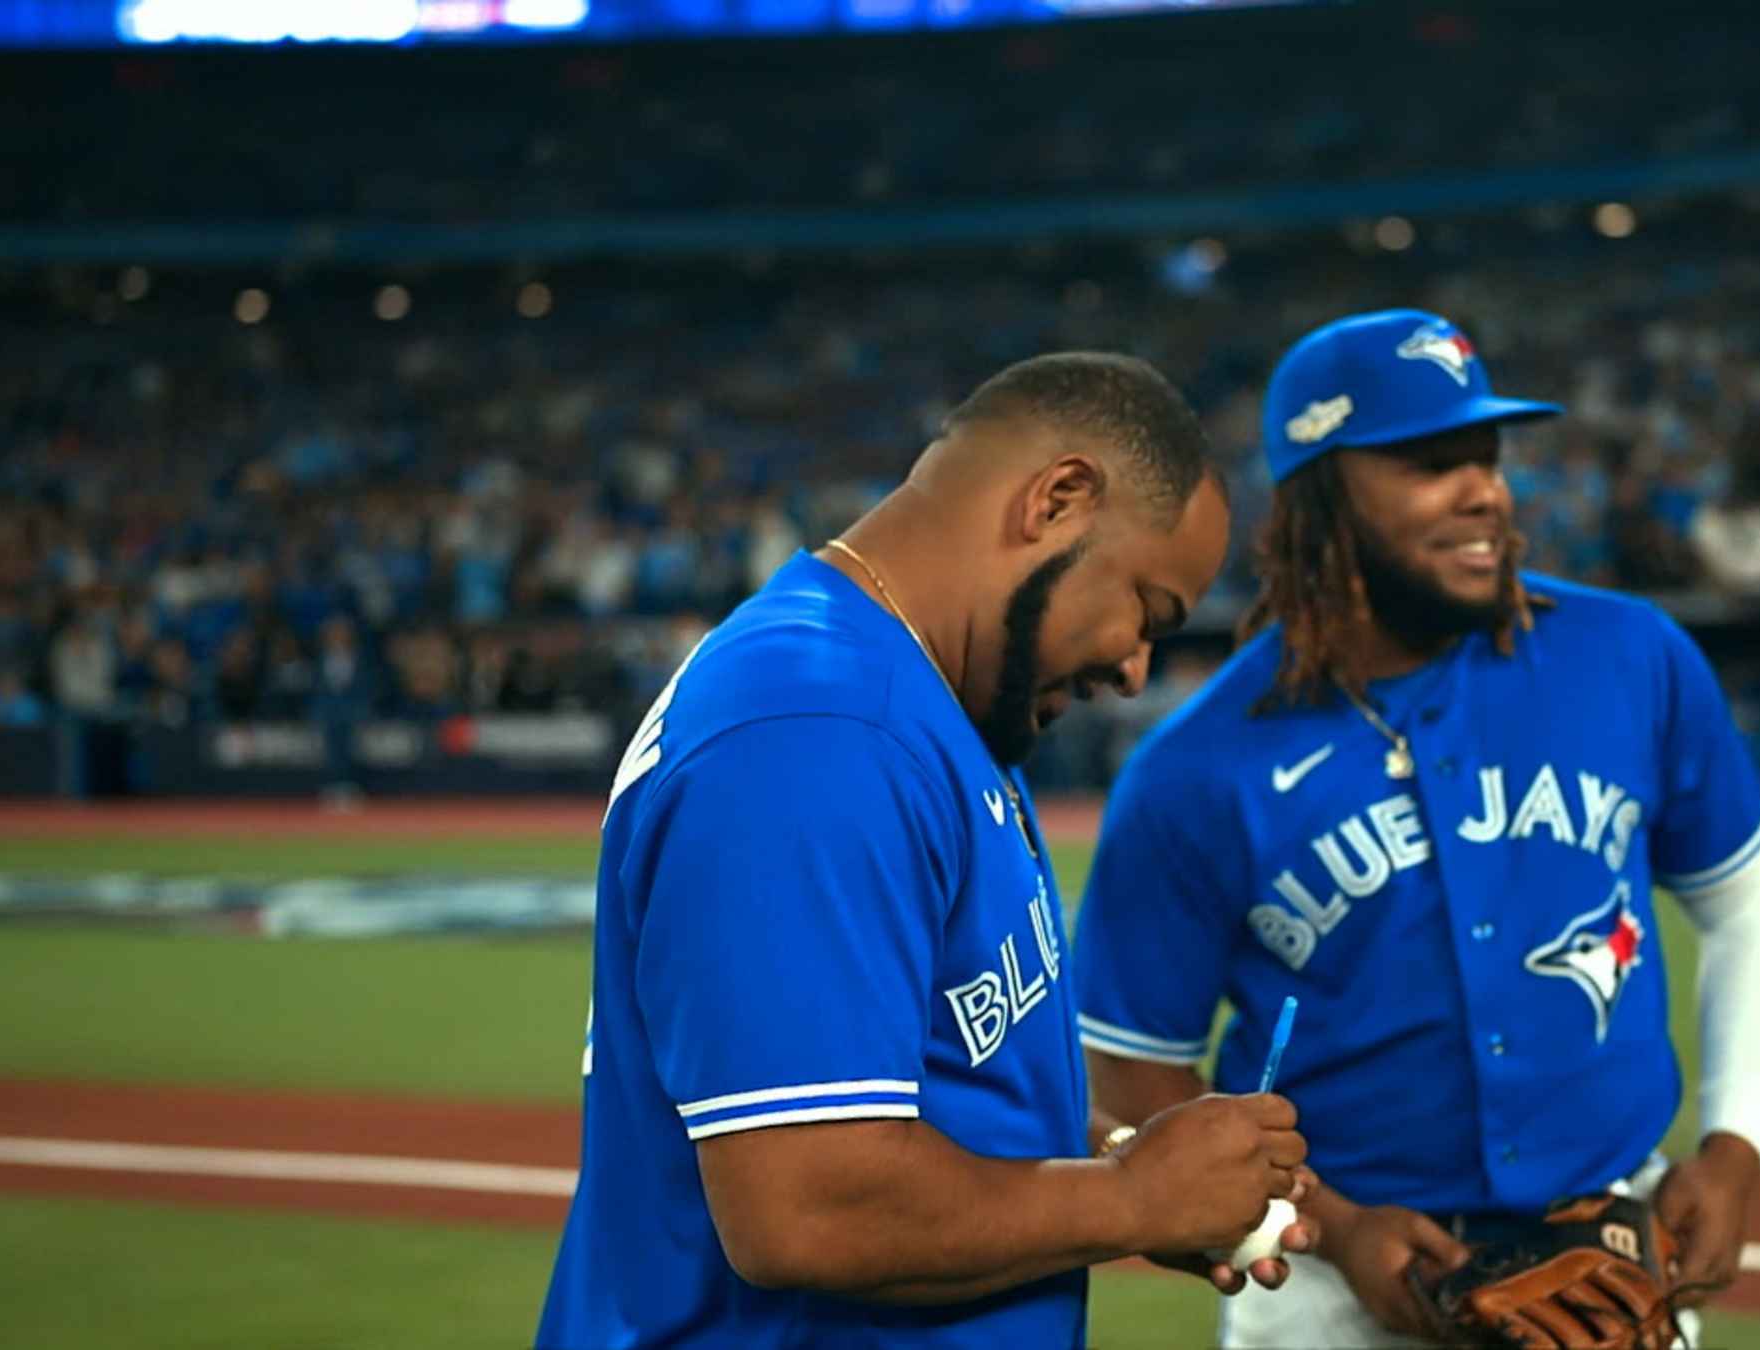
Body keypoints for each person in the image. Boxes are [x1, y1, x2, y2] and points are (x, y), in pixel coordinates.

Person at [537, 352, 1316, 1350]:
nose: (1133, 668)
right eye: (1147, 611)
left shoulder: (931, 700)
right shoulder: (815, 729)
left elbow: (955, 1078)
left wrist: (1141, 1168)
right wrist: (1129, 1198)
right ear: (1059, 500)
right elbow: (811, 1209)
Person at [1071, 311, 1760, 1347]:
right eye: (1431, 462)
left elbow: (1752, 904)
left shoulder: (1628, 656)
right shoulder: (1196, 769)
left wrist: (1733, 1152)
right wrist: (1327, 1226)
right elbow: (1129, 1069)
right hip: (1332, 1299)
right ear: (1322, 498)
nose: (1485, 491)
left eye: (1488, 456)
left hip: (1609, 1260)